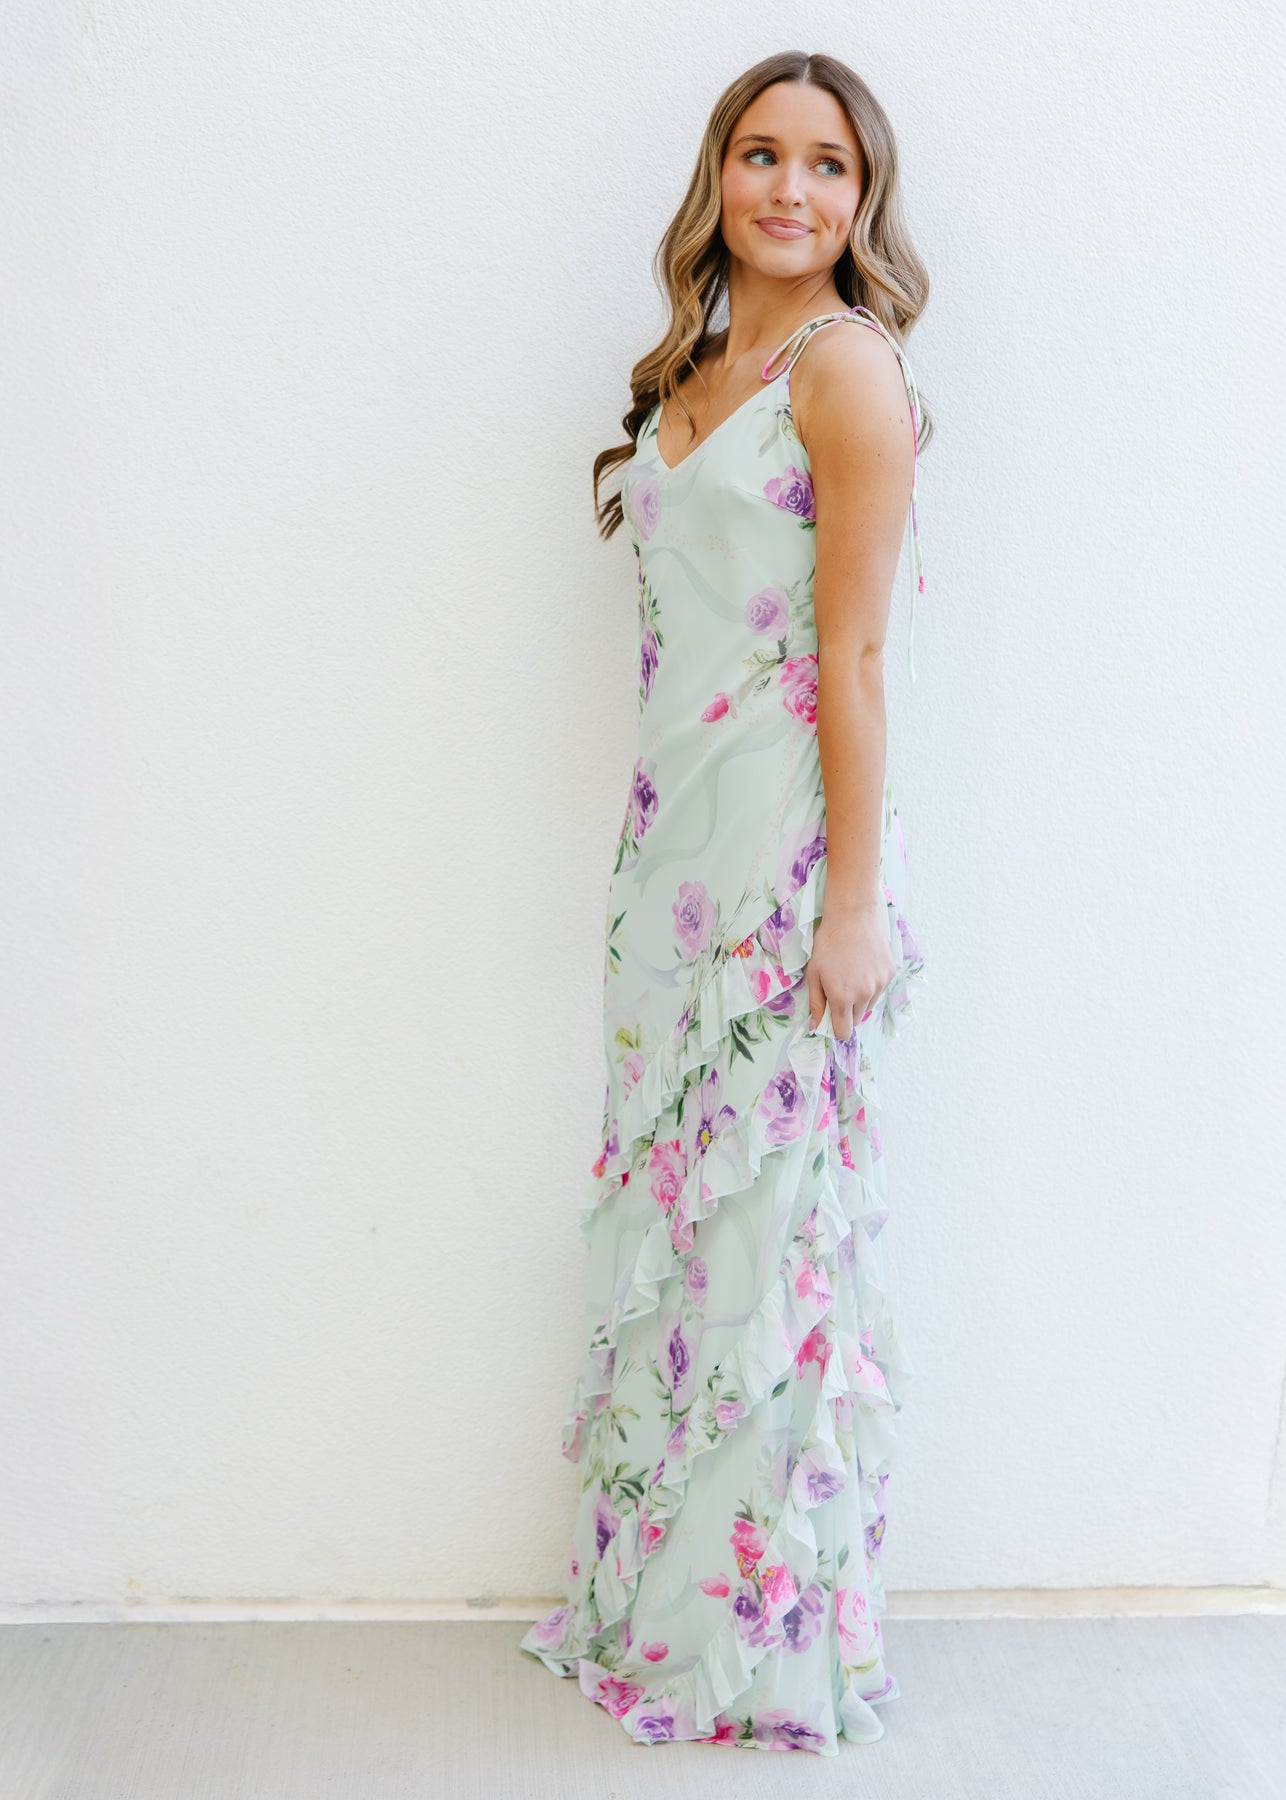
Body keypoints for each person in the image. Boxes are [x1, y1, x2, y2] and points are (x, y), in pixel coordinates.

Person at [519, 49, 934, 1757]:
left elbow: (853, 656)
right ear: (719, 177)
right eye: (760, 154)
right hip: (666, 859)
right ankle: (653, 1613)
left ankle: (756, 1654)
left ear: (861, 198)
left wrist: (853, 905)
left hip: (780, 863)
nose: (789, 188)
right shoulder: (693, 370)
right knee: (679, 1231)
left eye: (827, 165)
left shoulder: (847, 370)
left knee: (770, 1234)